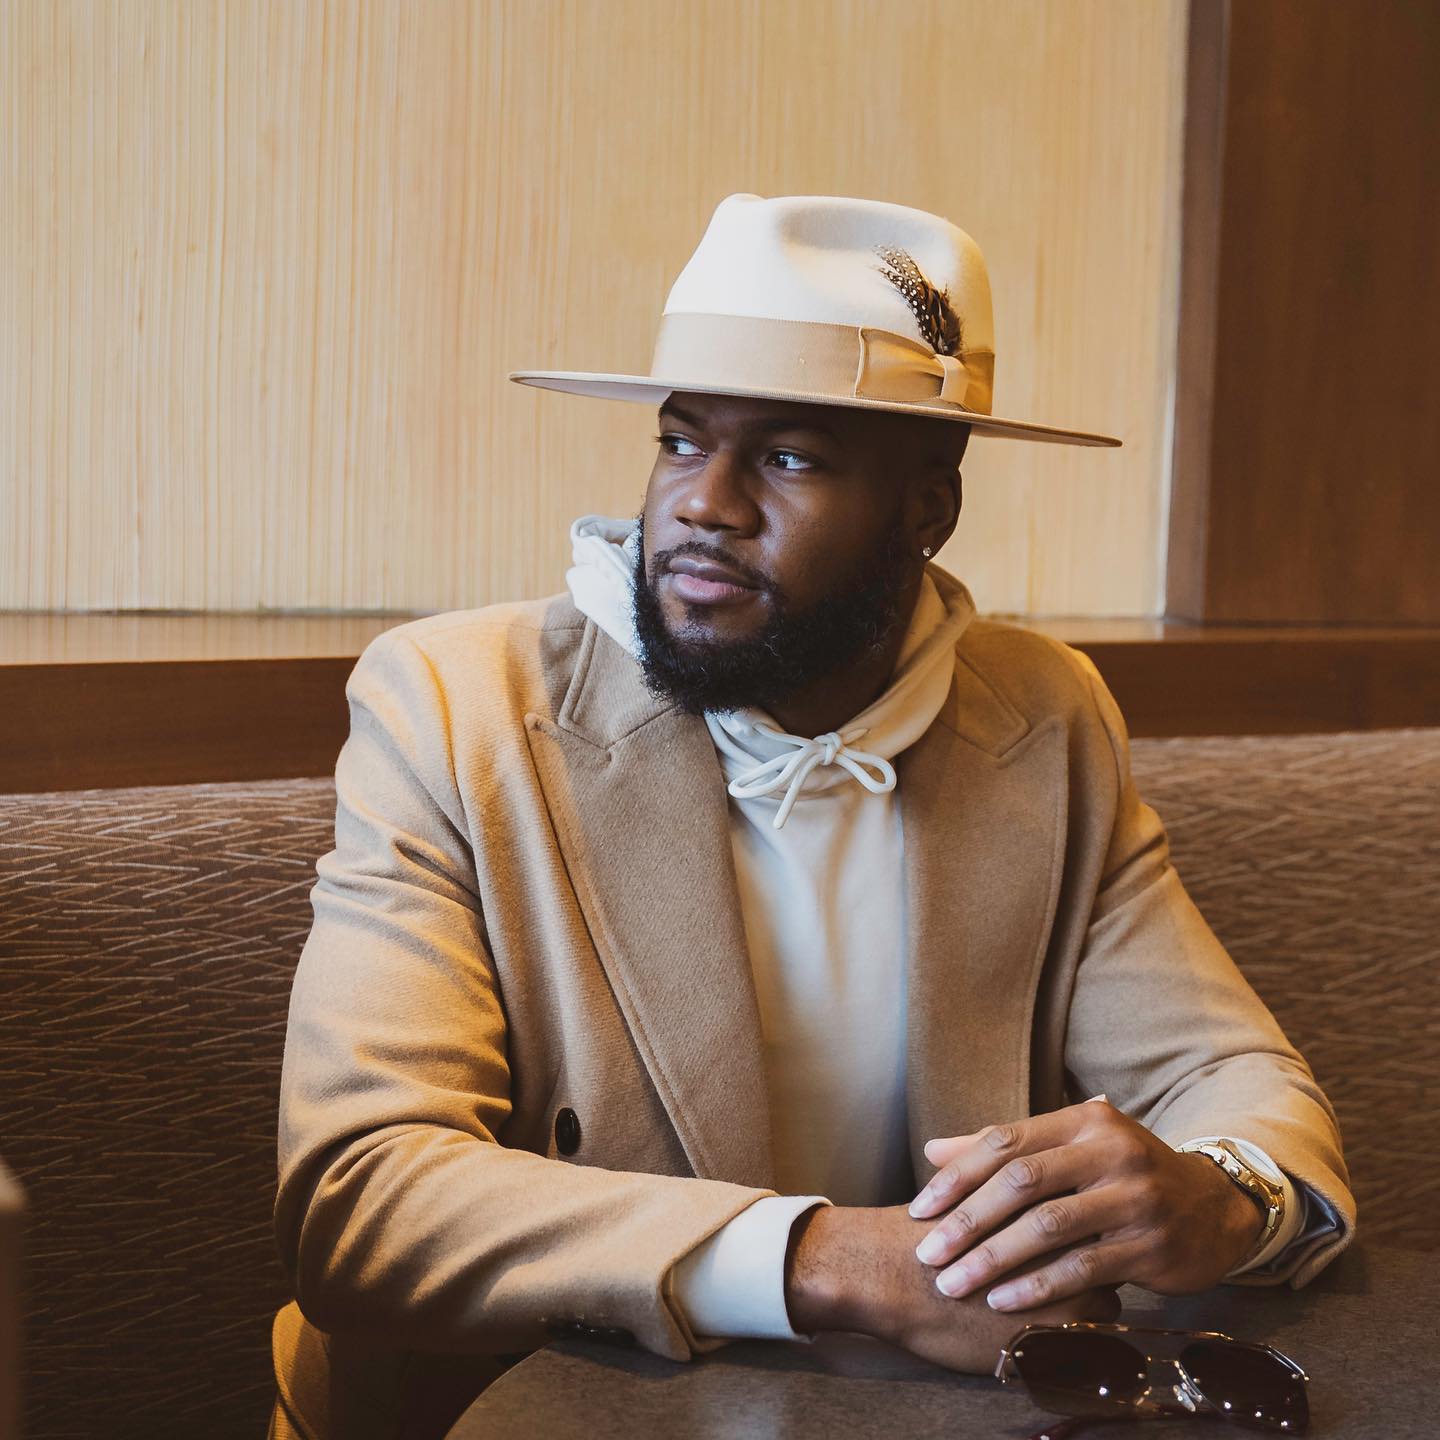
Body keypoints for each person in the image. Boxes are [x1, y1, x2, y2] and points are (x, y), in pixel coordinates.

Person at [268, 194, 1353, 1440]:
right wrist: (835, 1262)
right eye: (681, 440)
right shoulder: (454, 705)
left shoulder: (1041, 714)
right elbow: (363, 1200)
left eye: (789, 458)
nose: (704, 503)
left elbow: (1225, 1074)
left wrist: (1225, 1194)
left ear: (929, 511)